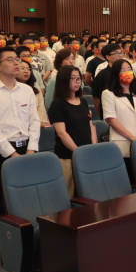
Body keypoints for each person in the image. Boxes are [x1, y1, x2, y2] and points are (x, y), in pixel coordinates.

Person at [0, 47, 40, 216]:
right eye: (10, 60)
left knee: (29, 195)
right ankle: (5, 233)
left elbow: (34, 121)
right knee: (3, 200)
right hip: (3, 152)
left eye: (17, 59)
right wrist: (12, 154)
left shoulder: (27, 90)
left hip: (28, 150)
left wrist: (31, 149)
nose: (16, 63)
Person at [48, 66, 96, 198]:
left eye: (79, 78)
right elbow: (62, 133)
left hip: (86, 153)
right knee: (69, 194)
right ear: (63, 81)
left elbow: (90, 126)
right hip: (67, 156)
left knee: (88, 193)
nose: (77, 81)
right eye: (73, 79)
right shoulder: (57, 104)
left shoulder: (83, 101)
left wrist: (93, 148)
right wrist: (78, 151)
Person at [102, 59, 136, 181]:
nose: (127, 72)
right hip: (123, 142)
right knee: (130, 178)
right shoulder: (108, 93)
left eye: (129, 69)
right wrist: (132, 138)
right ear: (116, 74)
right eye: (122, 70)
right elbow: (111, 119)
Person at [91, 43, 123, 117]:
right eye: (116, 53)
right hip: (110, 113)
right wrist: (102, 114)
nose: (120, 55)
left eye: (121, 53)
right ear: (108, 57)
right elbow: (96, 98)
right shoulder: (101, 75)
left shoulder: (126, 72)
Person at [16, 59, 49, 127]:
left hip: (37, 125)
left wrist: (40, 122)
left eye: (28, 69)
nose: (26, 71)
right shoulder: (12, 88)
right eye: (22, 68)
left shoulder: (35, 87)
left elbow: (40, 106)